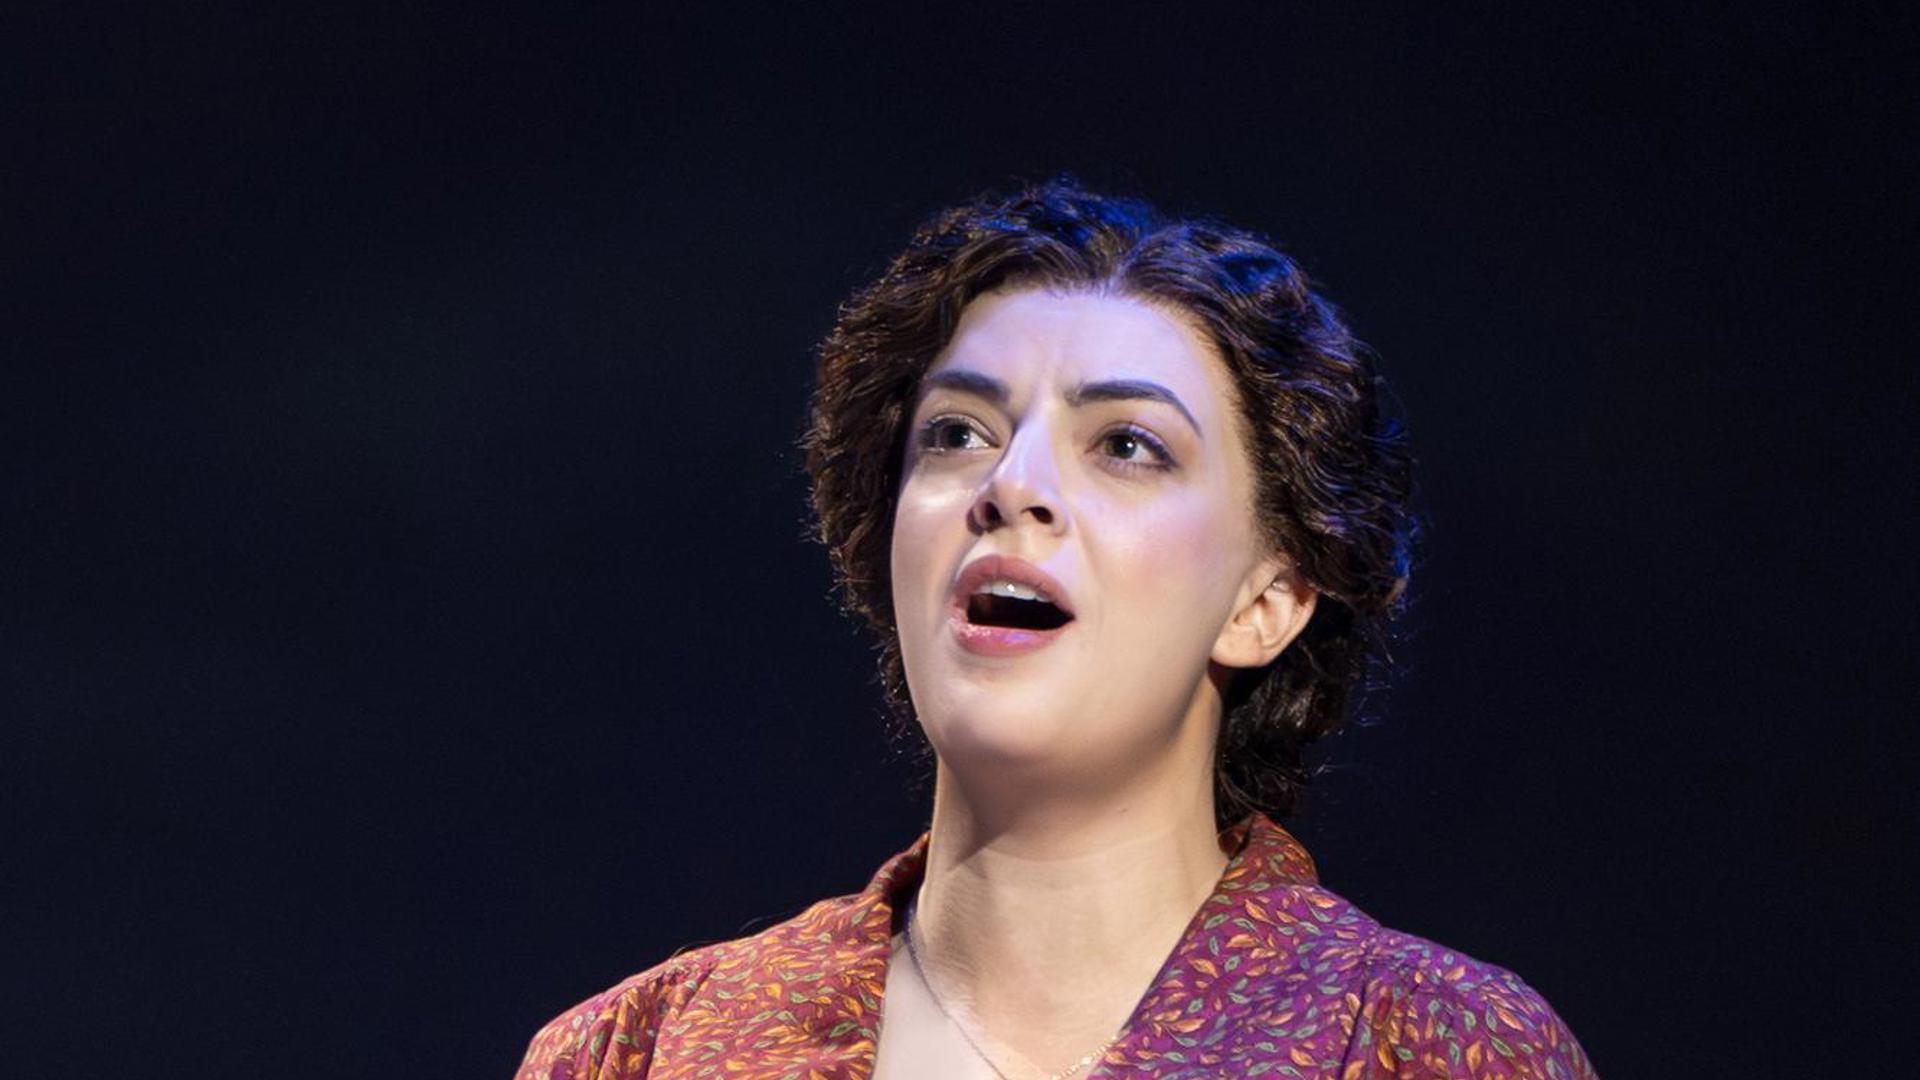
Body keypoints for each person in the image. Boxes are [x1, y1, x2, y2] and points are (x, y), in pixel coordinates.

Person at [511, 180, 1598, 1079]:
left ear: (1265, 602)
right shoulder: (638, 1050)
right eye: (957, 434)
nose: (1010, 483)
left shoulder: (1438, 1048)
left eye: (1127, 446)